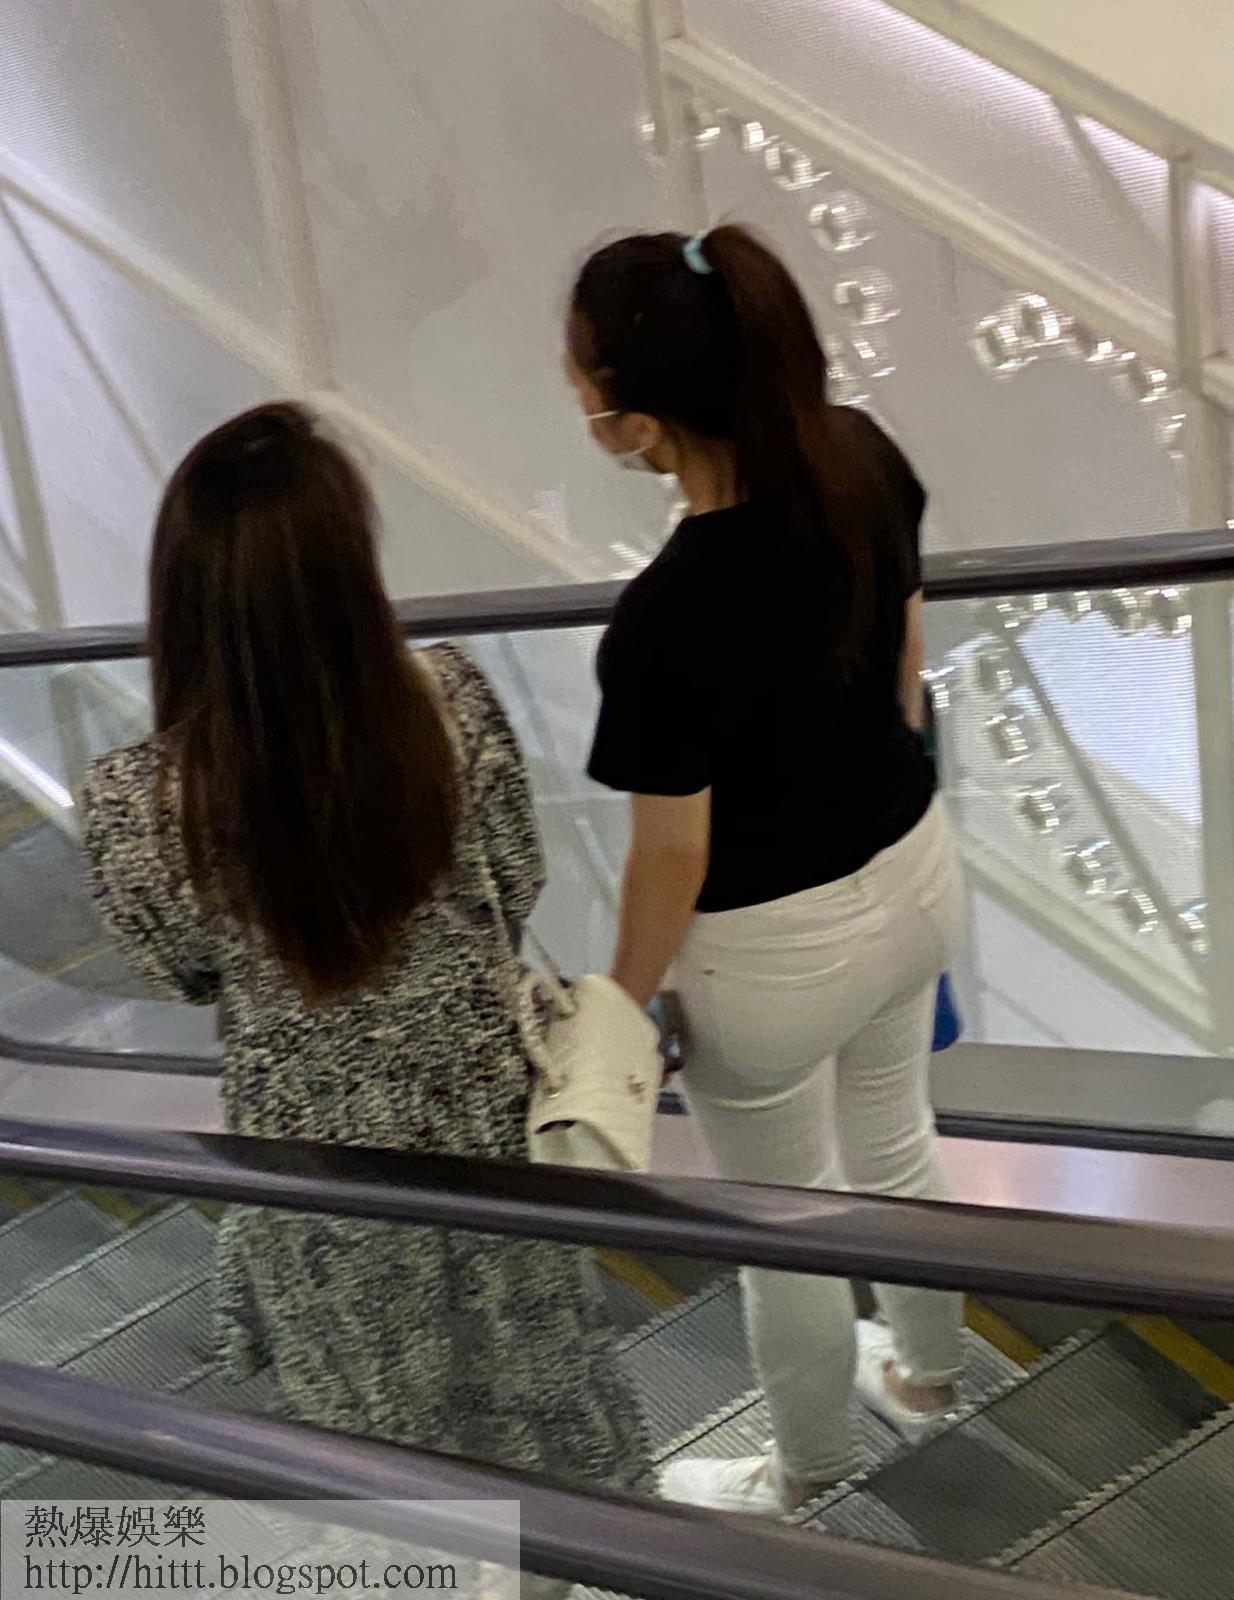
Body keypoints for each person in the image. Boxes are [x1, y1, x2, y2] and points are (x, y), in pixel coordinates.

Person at [80, 403, 649, 1515]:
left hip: (314, 1164)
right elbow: (514, 879)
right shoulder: (450, 701)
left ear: (184, 594)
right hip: (480, 1122)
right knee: (531, 1391)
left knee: (373, 1440)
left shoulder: (139, 798)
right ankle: (559, 1564)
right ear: (350, 567)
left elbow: (179, 970)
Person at [567, 226, 965, 1514]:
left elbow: (671, 854)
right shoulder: (861, 456)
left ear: (635, 426)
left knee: (782, 1232)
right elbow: (905, 668)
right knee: (896, 1144)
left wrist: (618, 1009)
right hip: (914, 870)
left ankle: (808, 1483)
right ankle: (928, 1380)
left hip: (771, 958)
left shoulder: (663, 622)